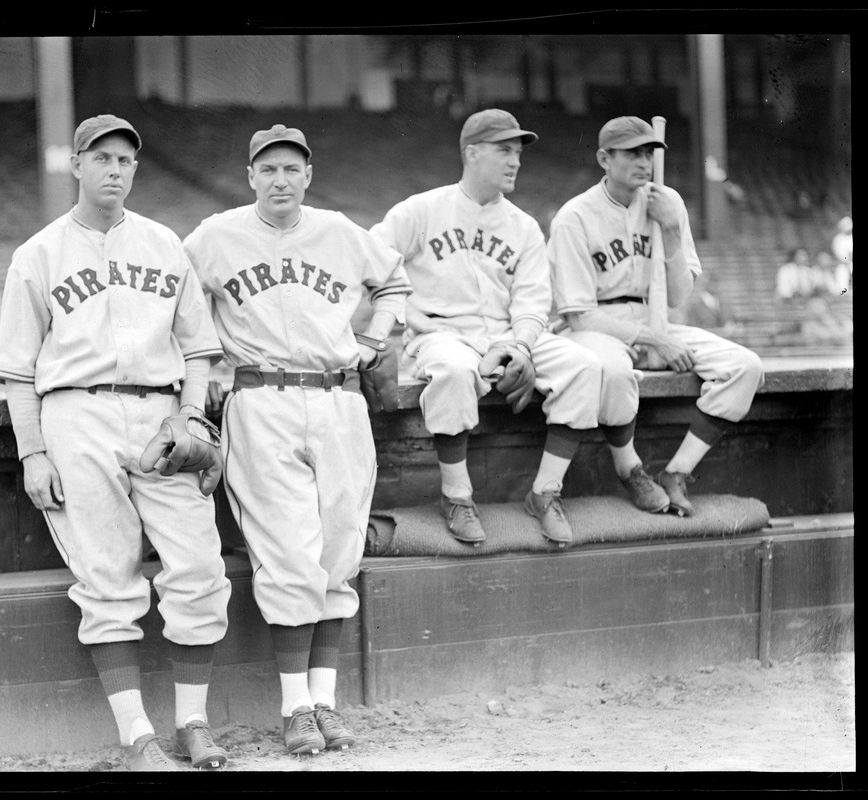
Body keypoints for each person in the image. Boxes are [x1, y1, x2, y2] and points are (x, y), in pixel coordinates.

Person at [0, 115, 233, 772]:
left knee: (199, 571)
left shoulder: (163, 243)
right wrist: (31, 452)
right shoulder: (37, 254)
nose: (115, 170)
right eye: (102, 158)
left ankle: (193, 724)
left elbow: (200, 349)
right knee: (106, 580)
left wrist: (189, 419)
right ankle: (137, 736)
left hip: (159, 416)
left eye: (126, 160)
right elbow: (16, 370)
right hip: (76, 416)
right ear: (75, 164)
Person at [183, 124, 411, 756]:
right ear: (250, 176)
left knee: (338, 550)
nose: (280, 180)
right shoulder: (216, 235)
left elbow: (392, 283)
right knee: (288, 552)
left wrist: (374, 338)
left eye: (292, 169)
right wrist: (194, 373)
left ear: (308, 175)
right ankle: (293, 710)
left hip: (340, 397)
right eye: (268, 170)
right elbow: (179, 302)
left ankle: (325, 704)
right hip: (260, 398)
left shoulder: (339, 231)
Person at [370, 108, 660, 547]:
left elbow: (532, 302)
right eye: (503, 150)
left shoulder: (523, 226)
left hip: (511, 334)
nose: (515, 161)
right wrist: (406, 315)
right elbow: (369, 267)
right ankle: (457, 495)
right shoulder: (421, 211)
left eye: (518, 152)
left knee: (584, 365)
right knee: (452, 372)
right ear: (471, 153)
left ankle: (544, 493)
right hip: (445, 334)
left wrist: (521, 348)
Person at [547, 115, 765, 517]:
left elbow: (680, 294)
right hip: (599, 326)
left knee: (745, 366)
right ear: (603, 158)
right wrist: (655, 339)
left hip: (657, 317)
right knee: (612, 370)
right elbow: (579, 317)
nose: (644, 161)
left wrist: (670, 230)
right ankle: (630, 469)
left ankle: (676, 472)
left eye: (649, 152)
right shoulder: (573, 217)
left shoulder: (669, 204)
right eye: (632, 153)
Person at [830, 215, 853, 293]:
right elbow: (841, 256)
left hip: (850, 263)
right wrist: (847, 260)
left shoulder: (850, 238)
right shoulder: (838, 239)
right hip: (842, 265)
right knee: (842, 288)